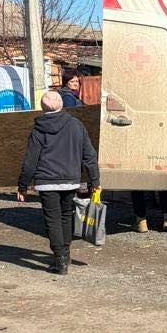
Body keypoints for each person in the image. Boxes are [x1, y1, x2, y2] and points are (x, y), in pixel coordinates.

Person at [17, 90, 100, 274]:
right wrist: (95, 179)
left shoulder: (38, 129)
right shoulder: (76, 125)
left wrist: (22, 185)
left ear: (42, 107)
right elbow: (89, 154)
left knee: (52, 219)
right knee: (66, 216)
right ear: (62, 105)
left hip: (46, 181)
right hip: (70, 180)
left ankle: (60, 258)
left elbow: (30, 160)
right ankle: (66, 253)